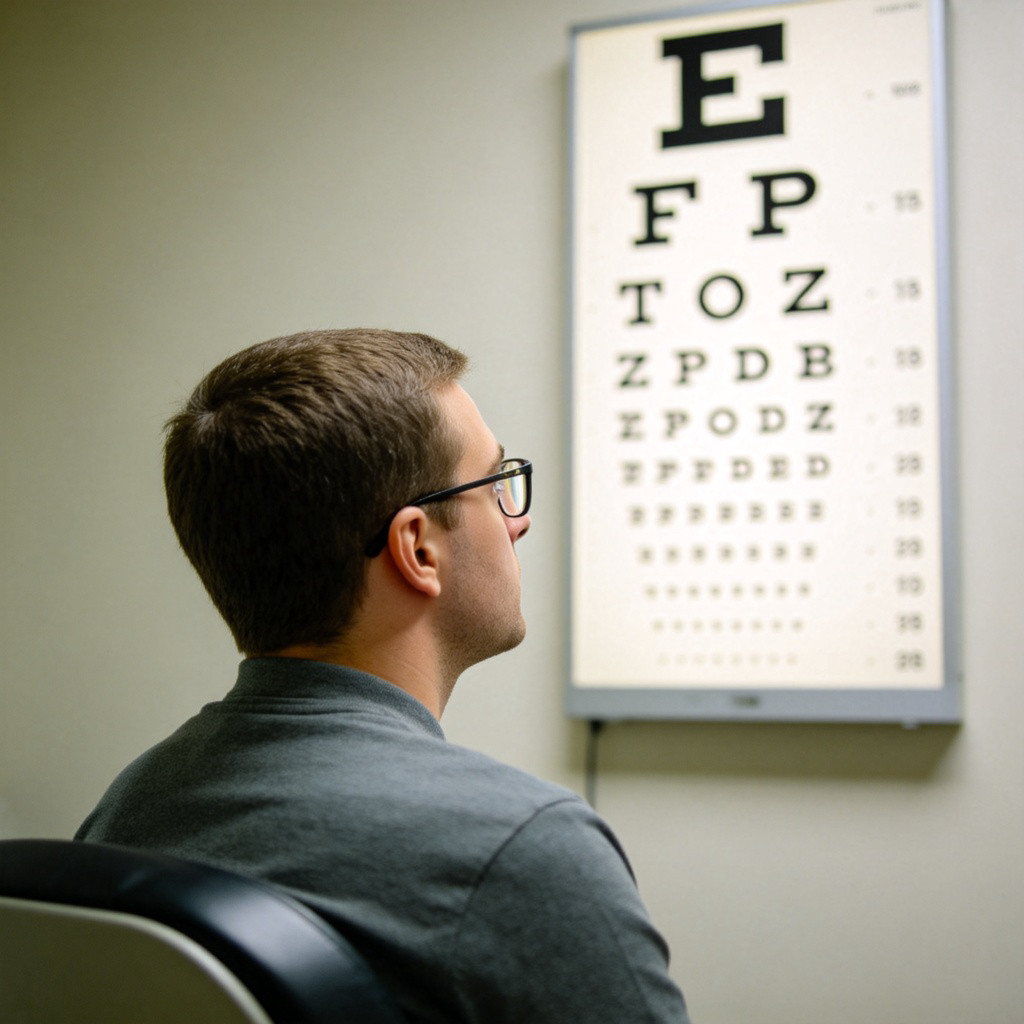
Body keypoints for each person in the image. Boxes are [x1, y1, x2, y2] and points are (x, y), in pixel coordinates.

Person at [75, 328, 691, 1023]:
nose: (517, 524)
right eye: (495, 484)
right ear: (417, 549)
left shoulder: (130, 804)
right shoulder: (521, 847)